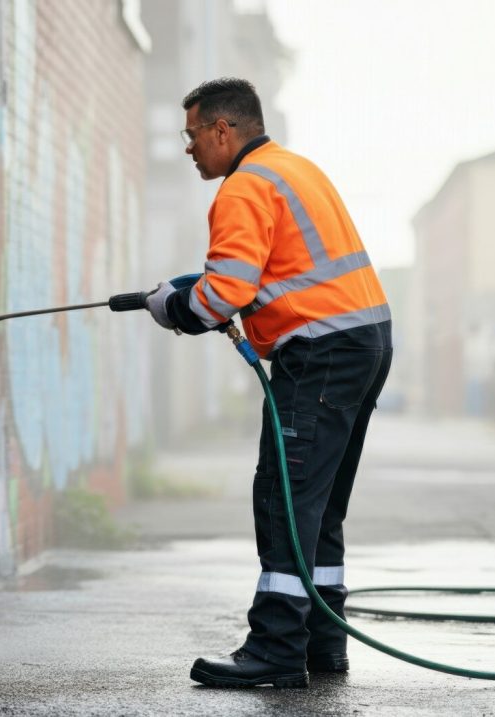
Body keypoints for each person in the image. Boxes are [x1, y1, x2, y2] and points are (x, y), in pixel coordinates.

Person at [145, 77, 393, 689]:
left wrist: (173, 308)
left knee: (284, 497)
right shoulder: (294, 169)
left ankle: (277, 649)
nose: (188, 148)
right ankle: (321, 644)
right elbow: (264, 273)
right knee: (319, 502)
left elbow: (223, 295)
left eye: (193, 134)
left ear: (223, 131)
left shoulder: (243, 188)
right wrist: (197, 288)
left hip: (321, 352)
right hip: (364, 340)